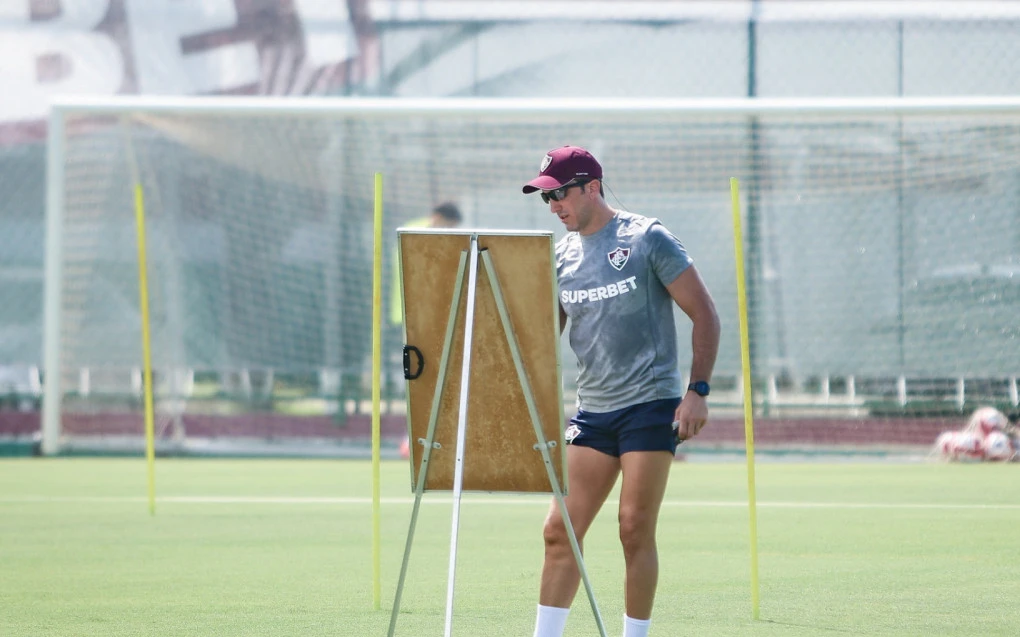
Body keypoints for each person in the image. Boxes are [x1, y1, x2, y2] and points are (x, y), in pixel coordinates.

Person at [522, 146, 720, 637]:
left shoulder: (646, 237)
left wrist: (696, 391)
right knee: (558, 531)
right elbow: (548, 337)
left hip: (650, 406)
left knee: (633, 528)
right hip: (592, 413)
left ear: (592, 187)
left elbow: (705, 314)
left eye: (560, 196)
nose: (554, 208)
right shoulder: (561, 255)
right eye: (546, 200)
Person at [389, 201, 463, 326]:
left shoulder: (424, 233)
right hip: (409, 310)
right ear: (438, 218)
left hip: (423, 311)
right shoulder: (415, 233)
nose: (451, 231)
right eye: (449, 226)